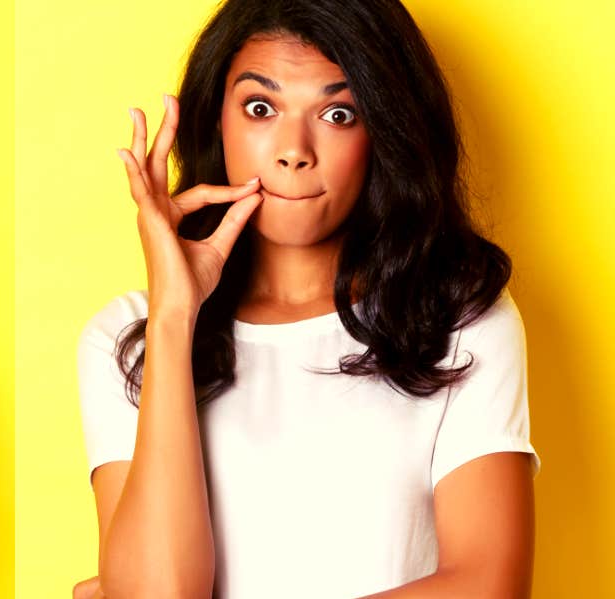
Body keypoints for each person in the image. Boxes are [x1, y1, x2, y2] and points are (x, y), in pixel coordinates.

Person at [74, 1, 539, 597]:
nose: (294, 150)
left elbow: (489, 588)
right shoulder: (127, 337)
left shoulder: (458, 320)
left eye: (339, 113)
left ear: (384, 132)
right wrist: (172, 315)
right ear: (218, 121)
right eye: (260, 108)